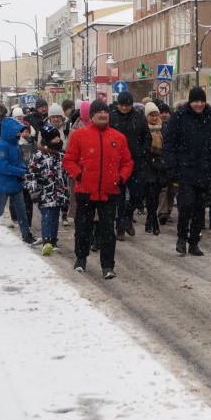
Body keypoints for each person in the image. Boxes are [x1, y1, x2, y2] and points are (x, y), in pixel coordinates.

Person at [62, 98, 133, 279]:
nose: (103, 115)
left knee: (108, 231)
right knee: (83, 228)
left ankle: (108, 266)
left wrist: (120, 177)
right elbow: (68, 160)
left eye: (105, 112)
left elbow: (127, 163)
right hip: (85, 191)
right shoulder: (79, 135)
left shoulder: (118, 137)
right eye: (98, 112)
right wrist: (79, 175)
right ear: (92, 116)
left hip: (109, 191)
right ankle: (81, 259)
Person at [162, 87, 211, 256]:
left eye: (202, 101)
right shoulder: (179, 117)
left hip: (205, 169)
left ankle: (194, 243)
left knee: (200, 208)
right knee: (186, 205)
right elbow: (168, 144)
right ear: (190, 102)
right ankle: (182, 238)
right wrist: (170, 165)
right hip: (184, 169)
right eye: (196, 101)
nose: (199, 104)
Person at [0, 116, 38, 246]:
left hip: (14, 183)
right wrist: (21, 172)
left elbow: (17, 162)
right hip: (2, 184)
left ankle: (26, 234)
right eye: (18, 130)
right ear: (10, 131)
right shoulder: (0, 147)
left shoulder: (14, 144)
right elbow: (2, 167)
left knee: (21, 210)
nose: (20, 133)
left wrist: (26, 169)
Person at [109, 90, 152, 240]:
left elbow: (147, 137)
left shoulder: (138, 117)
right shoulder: (112, 117)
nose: (124, 108)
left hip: (136, 162)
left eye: (127, 105)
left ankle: (127, 218)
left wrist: (141, 152)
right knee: (119, 197)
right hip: (117, 164)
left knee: (137, 193)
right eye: (121, 105)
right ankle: (120, 226)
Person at [25, 124, 69, 256]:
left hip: (59, 192)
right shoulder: (39, 156)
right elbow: (30, 174)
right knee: (47, 216)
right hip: (44, 192)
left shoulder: (61, 155)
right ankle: (46, 241)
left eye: (58, 137)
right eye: (54, 137)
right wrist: (33, 190)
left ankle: (53, 240)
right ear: (48, 140)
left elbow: (67, 171)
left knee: (55, 216)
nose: (57, 139)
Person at [142, 102, 168, 235]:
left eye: (155, 115)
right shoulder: (144, 129)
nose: (154, 118)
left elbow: (168, 146)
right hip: (147, 167)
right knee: (150, 195)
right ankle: (154, 221)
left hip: (160, 167)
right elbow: (141, 148)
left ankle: (149, 218)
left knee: (157, 195)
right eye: (151, 115)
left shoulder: (163, 129)